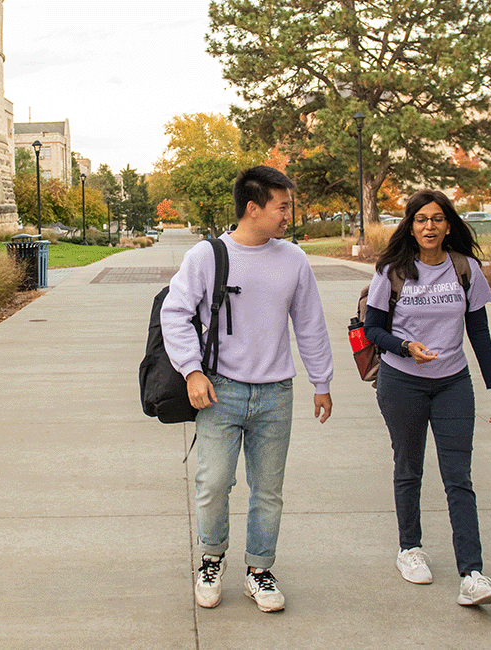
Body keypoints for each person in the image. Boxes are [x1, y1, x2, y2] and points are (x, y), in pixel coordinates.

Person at [161, 165, 334, 613]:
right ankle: (211, 558)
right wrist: (191, 371)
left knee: (268, 489)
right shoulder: (207, 256)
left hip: (276, 392)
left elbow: (310, 324)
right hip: (220, 389)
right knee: (214, 483)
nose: (288, 214)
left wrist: (321, 381)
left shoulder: (294, 259)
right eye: (282, 206)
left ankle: (260, 570)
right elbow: (175, 313)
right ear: (253, 208)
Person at [361, 189, 491, 607]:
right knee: (409, 467)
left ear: (448, 224)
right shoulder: (392, 270)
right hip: (402, 381)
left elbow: (478, 331)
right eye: (421, 219)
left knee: (458, 476)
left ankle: (473, 573)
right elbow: (371, 329)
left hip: (452, 383)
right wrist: (406, 347)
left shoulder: (465, 269)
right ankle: (410, 549)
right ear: (410, 224)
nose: (429, 226)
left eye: (437, 219)